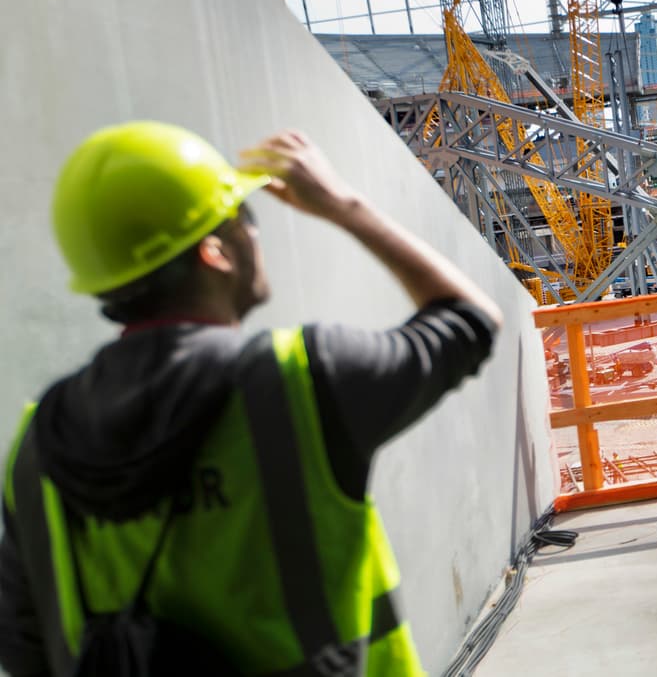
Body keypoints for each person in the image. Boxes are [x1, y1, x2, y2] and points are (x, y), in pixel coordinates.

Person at [0, 123, 503, 676]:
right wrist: (343, 205)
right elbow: (469, 320)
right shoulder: (302, 381)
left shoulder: (37, 445)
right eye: (247, 220)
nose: (255, 236)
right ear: (215, 252)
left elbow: (25, 647)